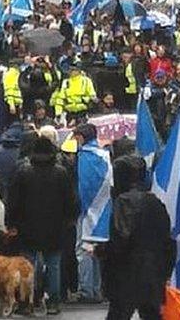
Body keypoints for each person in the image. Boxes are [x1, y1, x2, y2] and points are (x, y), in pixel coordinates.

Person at [6, 137, 78, 314]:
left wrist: (11, 223)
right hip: (55, 226)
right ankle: (53, 302)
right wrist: (70, 219)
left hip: (27, 226)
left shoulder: (23, 172)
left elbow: (13, 200)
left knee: (27, 266)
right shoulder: (61, 173)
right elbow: (71, 200)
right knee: (53, 264)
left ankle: (27, 302)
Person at [99, 154, 174, 320]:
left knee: (118, 314)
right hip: (153, 271)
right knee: (151, 314)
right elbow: (167, 241)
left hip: (126, 273)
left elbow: (121, 240)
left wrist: (102, 251)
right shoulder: (155, 202)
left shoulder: (123, 201)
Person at [74, 123, 110, 303]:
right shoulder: (105, 155)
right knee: (97, 250)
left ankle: (86, 290)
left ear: (82, 137)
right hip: (104, 208)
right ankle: (96, 289)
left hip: (87, 210)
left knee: (84, 250)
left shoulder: (84, 157)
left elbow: (83, 187)